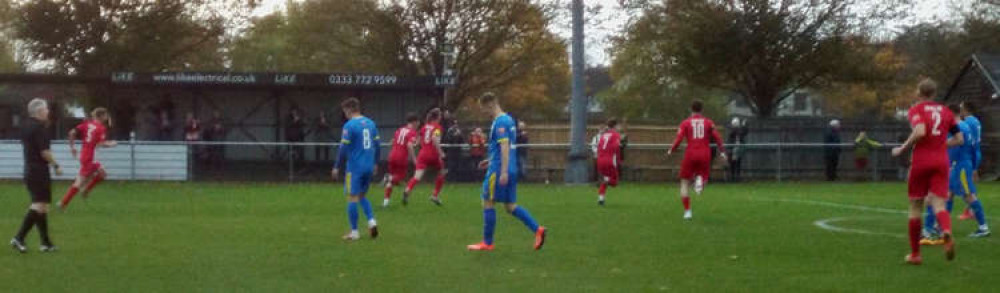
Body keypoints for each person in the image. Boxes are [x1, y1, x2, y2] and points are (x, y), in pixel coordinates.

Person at [890, 79, 960, 265]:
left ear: (919, 92)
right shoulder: (946, 111)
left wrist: (902, 148)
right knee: (939, 204)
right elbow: (959, 138)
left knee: (915, 206)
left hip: (922, 160)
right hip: (941, 160)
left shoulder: (917, 109)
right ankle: (946, 231)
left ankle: (915, 255)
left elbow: (920, 131)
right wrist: (940, 145)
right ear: (934, 93)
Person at [467, 92, 546, 251]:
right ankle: (537, 229)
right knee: (510, 206)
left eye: (485, 109)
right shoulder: (509, 119)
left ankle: (487, 243)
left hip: (499, 169)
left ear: (490, 104)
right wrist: (490, 160)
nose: (485, 113)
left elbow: (504, 146)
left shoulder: (500, 122)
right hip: (511, 167)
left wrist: (501, 171)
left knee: (487, 201)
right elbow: (507, 147)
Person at [920, 104, 990, 243]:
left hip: (961, 167)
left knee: (968, 195)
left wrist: (940, 145)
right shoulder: (963, 125)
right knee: (948, 195)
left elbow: (959, 141)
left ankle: (983, 227)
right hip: (959, 165)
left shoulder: (959, 126)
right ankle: (940, 228)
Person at [10, 98, 63, 253]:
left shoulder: (26, 126)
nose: (48, 112)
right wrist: (56, 165)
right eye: (46, 109)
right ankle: (18, 237)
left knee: (43, 207)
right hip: (38, 170)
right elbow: (44, 152)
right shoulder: (40, 128)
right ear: (39, 111)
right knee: (39, 205)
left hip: (30, 169)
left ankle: (45, 243)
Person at [330, 97, 380, 241]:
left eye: (344, 111)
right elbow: (377, 145)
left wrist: (336, 166)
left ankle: (354, 232)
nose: (344, 114)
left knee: (352, 197)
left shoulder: (349, 125)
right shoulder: (371, 123)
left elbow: (343, 147)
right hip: (369, 166)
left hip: (355, 168)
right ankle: (372, 222)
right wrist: (376, 163)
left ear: (349, 110)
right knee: (362, 196)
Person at [668, 100, 725, 220]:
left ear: (691, 109)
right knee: (703, 176)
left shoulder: (685, 123)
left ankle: (687, 211)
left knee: (684, 182)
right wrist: (723, 151)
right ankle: (700, 181)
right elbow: (717, 137)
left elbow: (679, 139)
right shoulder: (708, 122)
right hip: (705, 153)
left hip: (691, 153)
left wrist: (672, 150)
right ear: (702, 109)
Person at [58, 108, 118, 211]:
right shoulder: (100, 128)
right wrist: (112, 143)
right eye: (106, 115)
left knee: (102, 174)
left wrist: (72, 148)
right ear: (102, 116)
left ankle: (85, 191)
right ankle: (63, 203)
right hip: (91, 157)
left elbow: (71, 133)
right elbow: (101, 144)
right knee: (80, 181)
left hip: (85, 155)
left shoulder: (87, 124)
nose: (107, 117)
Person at [403, 108, 447, 206]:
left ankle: (407, 190)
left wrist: (414, 145)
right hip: (433, 154)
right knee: (442, 172)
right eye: (440, 116)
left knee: (417, 176)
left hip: (422, 154)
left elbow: (417, 141)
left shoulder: (424, 127)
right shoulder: (437, 127)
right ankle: (435, 195)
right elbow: (435, 138)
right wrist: (441, 152)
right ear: (438, 117)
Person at [383, 114, 419, 207]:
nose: (418, 124)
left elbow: (392, 141)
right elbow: (409, 145)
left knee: (392, 180)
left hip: (392, 155)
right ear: (414, 122)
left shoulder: (399, 130)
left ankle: (385, 202)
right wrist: (414, 159)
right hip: (401, 157)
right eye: (418, 122)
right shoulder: (412, 132)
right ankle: (388, 178)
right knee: (400, 176)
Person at [958, 101, 983, 222]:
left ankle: (971, 211)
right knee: (970, 183)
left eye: (961, 109)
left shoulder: (966, 122)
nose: (960, 111)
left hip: (970, 153)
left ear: (966, 109)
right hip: (976, 152)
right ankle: (970, 210)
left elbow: (967, 139)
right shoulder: (976, 121)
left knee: (966, 185)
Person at [596, 118, 622, 206]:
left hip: (600, 160)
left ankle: (601, 199)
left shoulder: (604, 135)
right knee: (614, 182)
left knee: (606, 179)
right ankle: (606, 181)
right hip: (609, 160)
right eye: (619, 125)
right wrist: (618, 160)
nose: (620, 127)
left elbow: (599, 147)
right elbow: (616, 148)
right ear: (615, 126)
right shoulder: (616, 135)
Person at [726, 118, 746, 182]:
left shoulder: (739, 131)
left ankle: (737, 177)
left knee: (738, 164)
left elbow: (743, 133)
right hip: (732, 150)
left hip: (738, 149)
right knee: (732, 164)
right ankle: (733, 178)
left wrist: (744, 126)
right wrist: (742, 126)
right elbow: (733, 134)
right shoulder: (731, 131)